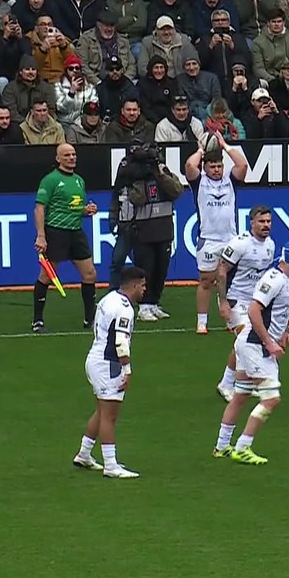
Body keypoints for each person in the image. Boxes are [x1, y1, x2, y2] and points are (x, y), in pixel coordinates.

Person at [213, 240, 289, 465]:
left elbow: (276, 309)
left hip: (250, 343)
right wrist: (269, 342)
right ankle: (244, 446)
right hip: (256, 345)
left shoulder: (282, 280)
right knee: (271, 399)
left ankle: (222, 446)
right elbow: (255, 310)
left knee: (241, 395)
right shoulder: (275, 280)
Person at [73, 265, 148, 479]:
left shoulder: (108, 299)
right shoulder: (125, 309)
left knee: (101, 411)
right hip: (109, 364)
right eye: (142, 286)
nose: (144, 290)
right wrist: (127, 369)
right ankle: (111, 465)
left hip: (95, 358)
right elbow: (121, 342)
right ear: (133, 285)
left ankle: (84, 454)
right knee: (110, 416)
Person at [185, 130, 249, 335]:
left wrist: (225, 146)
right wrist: (201, 149)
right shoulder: (199, 182)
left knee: (232, 280)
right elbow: (189, 166)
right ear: (205, 167)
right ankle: (201, 321)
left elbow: (243, 165)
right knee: (206, 280)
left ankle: (232, 319)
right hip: (209, 239)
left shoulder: (230, 181)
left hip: (230, 238)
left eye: (219, 166)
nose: (216, 170)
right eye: (212, 166)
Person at [110, 141, 183, 320]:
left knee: (161, 268)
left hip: (164, 226)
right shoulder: (132, 175)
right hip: (143, 227)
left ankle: (154, 302)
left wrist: (159, 173)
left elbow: (176, 191)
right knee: (146, 267)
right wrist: (141, 178)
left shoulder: (162, 171)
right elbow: (138, 199)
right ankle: (143, 305)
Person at [214, 206, 278, 401]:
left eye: (268, 221)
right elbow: (221, 270)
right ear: (252, 223)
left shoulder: (270, 245)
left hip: (254, 302)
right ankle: (226, 384)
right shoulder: (240, 244)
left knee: (252, 341)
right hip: (235, 299)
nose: (266, 225)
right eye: (261, 221)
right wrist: (224, 302)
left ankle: (244, 384)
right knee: (244, 338)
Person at [33, 143, 99, 333]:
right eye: (67, 155)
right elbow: (39, 208)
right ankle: (37, 320)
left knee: (90, 274)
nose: (71, 158)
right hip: (56, 231)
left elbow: (75, 208)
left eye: (73, 154)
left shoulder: (79, 180)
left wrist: (86, 211)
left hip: (76, 232)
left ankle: (90, 319)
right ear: (58, 158)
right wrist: (41, 235)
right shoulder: (50, 180)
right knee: (47, 275)